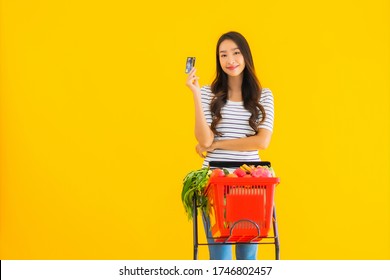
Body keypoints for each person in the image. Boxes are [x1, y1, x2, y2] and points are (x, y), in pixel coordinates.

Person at [185, 31, 274, 260]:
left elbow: (262, 141)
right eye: (223, 55)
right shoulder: (207, 93)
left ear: (246, 56)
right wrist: (195, 94)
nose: (230, 60)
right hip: (214, 182)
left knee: (247, 258)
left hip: (251, 185)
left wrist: (219, 144)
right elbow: (204, 141)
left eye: (235, 53)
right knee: (220, 259)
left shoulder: (264, 96)